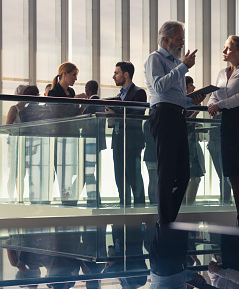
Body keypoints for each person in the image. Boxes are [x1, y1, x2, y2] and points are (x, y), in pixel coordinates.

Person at [144, 20, 205, 224]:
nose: (182, 44)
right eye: (179, 39)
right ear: (166, 40)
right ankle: (165, 220)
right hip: (163, 115)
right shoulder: (155, 58)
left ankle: (169, 217)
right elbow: (159, 87)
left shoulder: (177, 65)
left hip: (177, 115)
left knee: (184, 172)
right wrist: (183, 68)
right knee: (167, 170)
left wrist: (191, 100)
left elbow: (176, 96)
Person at [207, 35, 239, 228]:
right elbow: (214, 95)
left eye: (227, 48)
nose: (224, 51)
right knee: (233, 173)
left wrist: (220, 104)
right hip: (227, 122)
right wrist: (213, 104)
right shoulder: (221, 73)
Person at [106, 61, 147, 206]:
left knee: (134, 176)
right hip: (118, 140)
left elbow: (136, 118)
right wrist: (111, 121)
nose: (113, 76)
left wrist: (116, 117)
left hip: (132, 141)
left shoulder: (139, 93)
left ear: (126, 74)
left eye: (116, 73)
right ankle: (124, 206)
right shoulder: (119, 96)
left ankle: (139, 209)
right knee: (120, 176)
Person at [48, 62, 87, 205]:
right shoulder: (54, 93)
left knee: (75, 170)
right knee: (63, 171)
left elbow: (73, 114)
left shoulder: (70, 92)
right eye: (74, 75)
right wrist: (75, 101)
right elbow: (58, 114)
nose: (75, 78)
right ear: (64, 74)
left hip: (73, 135)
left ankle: (70, 198)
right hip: (61, 137)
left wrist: (82, 106)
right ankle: (66, 200)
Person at [79, 80, 107, 206]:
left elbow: (81, 122)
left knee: (88, 172)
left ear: (88, 90)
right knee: (89, 171)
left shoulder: (89, 105)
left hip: (89, 142)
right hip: (98, 142)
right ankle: (94, 198)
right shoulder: (102, 104)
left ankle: (94, 199)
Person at [6, 84, 32, 202]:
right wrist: (18, 130)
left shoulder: (28, 110)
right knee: (13, 173)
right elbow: (7, 127)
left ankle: (19, 198)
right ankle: (11, 198)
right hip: (14, 144)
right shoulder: (14, 109)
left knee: (23, 173)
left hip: (25, 145)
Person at [183, 76, 206, 205]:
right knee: (193, 177)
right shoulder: (183, 102)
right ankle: (188, 205)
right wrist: (196, 110)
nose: (194, 87)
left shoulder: (191, 102)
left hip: (192, 142)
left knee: (194, 176)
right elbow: (186, 123)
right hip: (187, 144)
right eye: (191, 84)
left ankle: (188, 204)